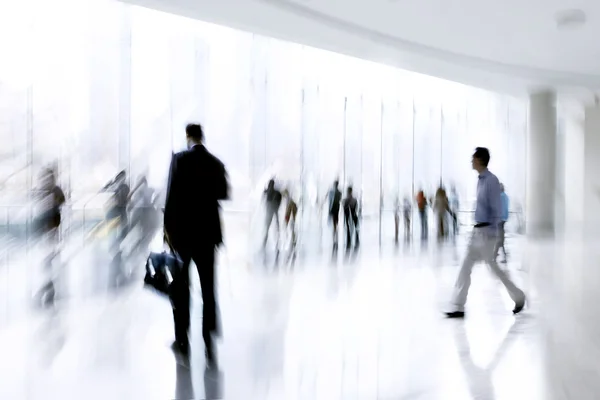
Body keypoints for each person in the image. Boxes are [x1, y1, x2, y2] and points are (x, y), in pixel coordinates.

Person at [164, 123, 229, 364]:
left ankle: (182, 340)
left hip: (183, 236)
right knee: (209, 289)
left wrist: (168, 232)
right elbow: (223, 193)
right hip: (208, 236)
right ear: (202, 136)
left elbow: (170, 199)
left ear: (187, 136)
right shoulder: (215, 163)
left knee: (181, 288)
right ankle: (209, 341)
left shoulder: (179, 160)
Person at [446, 148, 525, 318]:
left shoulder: (491, 181)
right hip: (477, 231)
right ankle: (458, 307)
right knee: (465, 267)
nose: (471, 160)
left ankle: (519, 297)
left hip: (486, 233)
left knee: (494, 269)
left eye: (473, 158)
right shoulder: (480, 180)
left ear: (480, 159)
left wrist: (493, 234)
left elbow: (496, 210)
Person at [33, 167, 66, 306]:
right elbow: (39, 209)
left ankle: (48, 285)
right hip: (45, 227)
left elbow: (61, 202)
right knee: (46, 259)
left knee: (49, 257)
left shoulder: (55, 190)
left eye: (48, 177)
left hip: (52, 226)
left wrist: (53, 203)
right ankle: (47, 284)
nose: (45, 180)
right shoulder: (42, 191)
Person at [263, 179, 282, 249]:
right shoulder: (276, 192)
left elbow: (265, 202)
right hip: (272, 211)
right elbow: (279, 201)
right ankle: (277, 241)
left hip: (270, 211)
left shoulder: (268, 192)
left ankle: (266, 241)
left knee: (268, 227)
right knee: (273, 226)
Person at [494, 183, 509, 263]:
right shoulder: (506, 196)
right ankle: (496, 255)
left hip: (499, 219)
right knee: (500, 238)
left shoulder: (500, 197)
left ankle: (495, 255)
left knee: (499, 238)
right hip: (504, 219)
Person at [327, 180, 342, 247]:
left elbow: (331, 201)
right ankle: (335, 232)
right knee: (335, 222)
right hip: (336, 208)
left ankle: (335, 233)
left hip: (334, 208)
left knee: (335, 222)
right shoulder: (339, 192)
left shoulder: (332, 192)